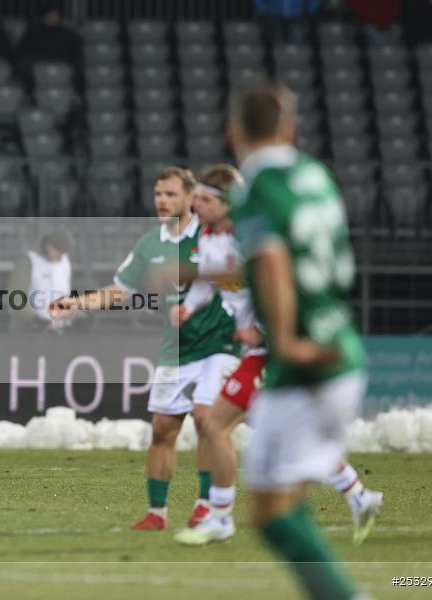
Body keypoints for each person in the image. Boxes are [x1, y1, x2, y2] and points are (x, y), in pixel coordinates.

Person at [167, 165, 383, 547]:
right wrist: (190, 307)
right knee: (281, 434)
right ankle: (358, 495)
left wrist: (263, 329)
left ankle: (219, 515)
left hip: (271, 347)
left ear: (225, 203)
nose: (194, 203)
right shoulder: (209, 235)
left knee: (215, 425)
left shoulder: (250, 238)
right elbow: (211, 282)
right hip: (260, 348)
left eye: (203, 198)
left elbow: (283, 287)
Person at [227, 81, 369, 599]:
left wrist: (283, 341)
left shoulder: (256, 188)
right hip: (343, 349)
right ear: (292, 130)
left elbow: (271, 262)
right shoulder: (317, 175)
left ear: (234, 133)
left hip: (304, 364)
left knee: (268, 512)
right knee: (289, 499)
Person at [49, 167, 239, 531]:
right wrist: (77, 303)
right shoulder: (150, 244)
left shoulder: (213, 234)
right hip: (176, 348)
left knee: (205, 420)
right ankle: (157, 514)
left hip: (219, 342)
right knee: (162, 430)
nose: (162, 201)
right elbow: (120, 290)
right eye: (158, 194)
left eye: (170, 194)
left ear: (190, 198)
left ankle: (205, 505)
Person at [7, 231, 74, 333]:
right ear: (49, 247)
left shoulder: (64, 262)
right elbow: (16, 298)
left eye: (64, 254)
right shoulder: (27, 261)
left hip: (57, 331)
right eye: (58, 252)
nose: (61, 258)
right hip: (28, 332)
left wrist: (75, 314)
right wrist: (34, 320)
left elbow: (64, 294)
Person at [17, 1, 82, 84]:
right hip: (38, 60)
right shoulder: (33, 31)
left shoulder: (65, 32)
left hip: (61, 59)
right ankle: (29, 93)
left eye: (56, 15)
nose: (54, 17)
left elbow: (76, 44)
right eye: (51, 15)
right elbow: (23, 48)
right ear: (45, 16)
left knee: (77, 62)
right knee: (25, 64)